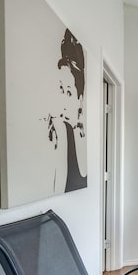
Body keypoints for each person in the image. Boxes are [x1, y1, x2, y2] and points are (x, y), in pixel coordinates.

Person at [46, 28, 87, 192]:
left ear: (80, 100)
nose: (63, 100)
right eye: (60, 90)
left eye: (69, 92)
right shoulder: (61, 129)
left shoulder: (79, 134)